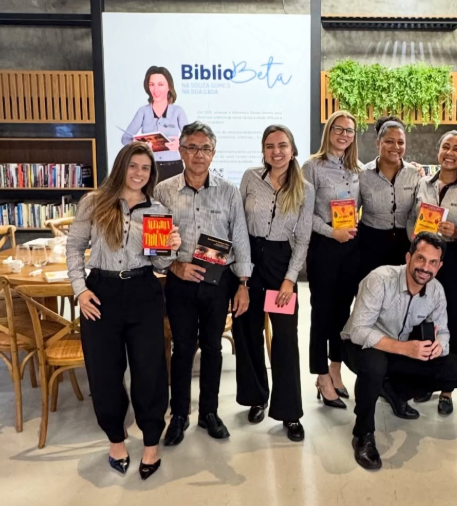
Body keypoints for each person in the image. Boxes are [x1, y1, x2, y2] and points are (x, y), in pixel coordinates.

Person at [66, 142, 182, 480]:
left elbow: (159, 265)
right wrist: (80, 289)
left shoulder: (157, 210)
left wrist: (170, 250)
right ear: (121, 166)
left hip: (143, 292)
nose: (139, 173)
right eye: (133, 166)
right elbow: (74, 246)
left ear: (151, 173)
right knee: (104, 372)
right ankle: (115, 440)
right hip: (101, 293)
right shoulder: (94, 202)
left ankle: (150, 442)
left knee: (150, 370)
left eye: (145, 168)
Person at [154, 121, 252, 446]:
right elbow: (155, 243)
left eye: (205, 148)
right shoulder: (163, 191)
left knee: (212, 347)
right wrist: (175, 265)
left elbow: (240, 238)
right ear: (181, 151)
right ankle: (179, 414)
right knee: (182, 348)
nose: (199, 154)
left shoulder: (228, 191)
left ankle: (209, 412)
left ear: (214, 152)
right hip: (179, 281)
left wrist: (243, 283)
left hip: (217, 281)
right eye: (192, 147)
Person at [341, 232, 457, 470]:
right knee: (375, 365)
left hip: (401, 351)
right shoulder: (379, 279)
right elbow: (358, 331)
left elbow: (444, 332)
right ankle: (363, 434)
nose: (425, 267)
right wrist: (405, 349)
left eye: (433, 262)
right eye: (421, 258)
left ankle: (394, 391)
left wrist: (438, 346)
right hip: (362, 347)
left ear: (439, 266)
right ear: (408, 257)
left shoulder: (436, 291)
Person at [232, 125, 315, 442]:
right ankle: (256, 397)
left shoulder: (304, 188)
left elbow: (303, 239)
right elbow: (238, 226)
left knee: (285, 339)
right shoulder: (250, 178)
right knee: (247, 331)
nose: (276, 151)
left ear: (292, 150)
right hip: (249, 259)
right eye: (269, 146)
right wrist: (242, 277)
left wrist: (289, 281)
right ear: (263, 150)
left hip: (281, 264)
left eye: (282, 145)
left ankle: (289, 412)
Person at [407, 130, 457, 415]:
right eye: (446, 147)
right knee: (420, 317)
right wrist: (413, 236)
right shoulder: (424, 183)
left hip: (456, 262)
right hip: (424, 261)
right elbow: (412, 217)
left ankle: (447, 388)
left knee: (452, 321)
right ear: (438, 151)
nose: (450, 153)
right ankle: (426, 380)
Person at [302, 110, 363, 408]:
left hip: (350, 248)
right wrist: (330, 232)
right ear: (328, 131)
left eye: (349, 130)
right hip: (324, 246)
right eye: (339, 128)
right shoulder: (311, 167)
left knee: (343, 313)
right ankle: (321, 375)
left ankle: (336, 369)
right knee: (322, 313)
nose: (344, 134)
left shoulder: (357, 169)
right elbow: (304, 214)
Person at [357, 120, 420, 281]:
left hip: (405, 244)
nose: (396, 147)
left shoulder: (414, 173)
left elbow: (418, 210)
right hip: (370, 244)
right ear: (378, 143)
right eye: (389, 141)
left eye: (401, 142)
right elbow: (352, 211)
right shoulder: (362, 174)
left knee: (401, 290)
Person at [121, 66, 189, 182]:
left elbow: (190, 139)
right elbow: (125, 138)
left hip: (173, 167)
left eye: (160, 84)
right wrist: (139, 145)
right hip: (150, 166)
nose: (156, 90)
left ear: (169, 86)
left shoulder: (178, 111)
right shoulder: (143, 111)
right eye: (152, 84)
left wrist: (179, 143)